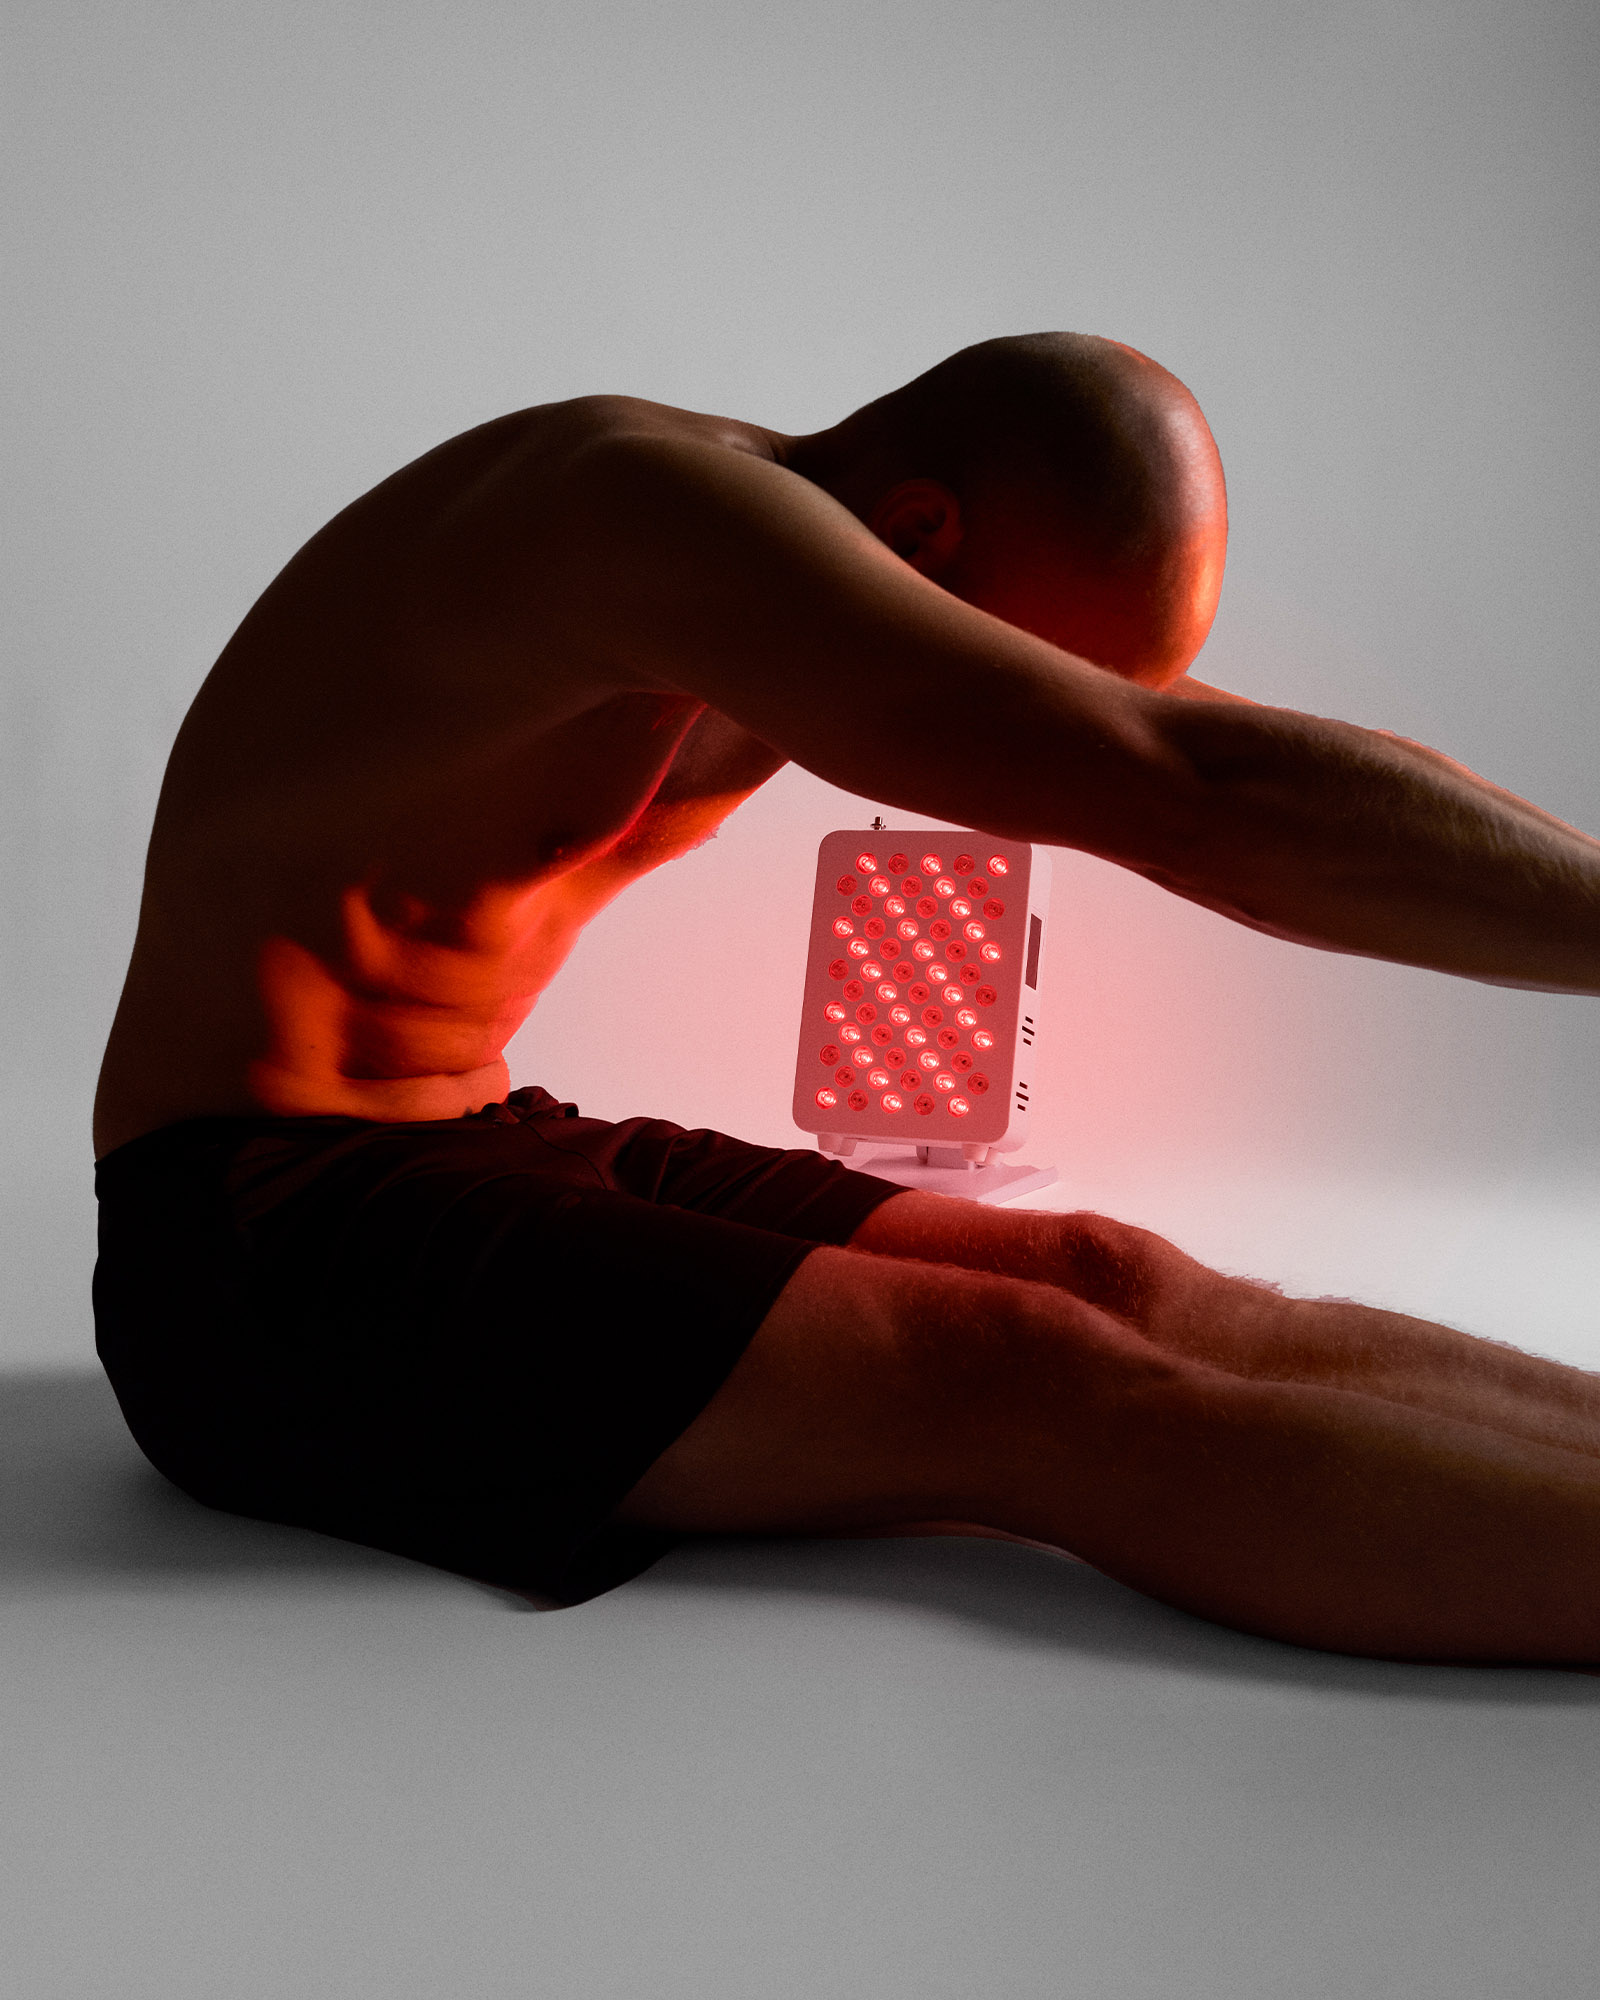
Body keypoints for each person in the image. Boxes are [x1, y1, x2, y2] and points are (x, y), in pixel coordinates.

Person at [93, 333, 1600, 1661]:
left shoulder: (819, 557)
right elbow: (1195, 797)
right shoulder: (628, 512)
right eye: (1034, 662)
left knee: (1111, 1274)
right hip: (255, 1240)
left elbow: (1253, 761)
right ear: (919, 532)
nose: (1038, 699)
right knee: (1038, 1381)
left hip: (480, 1134)